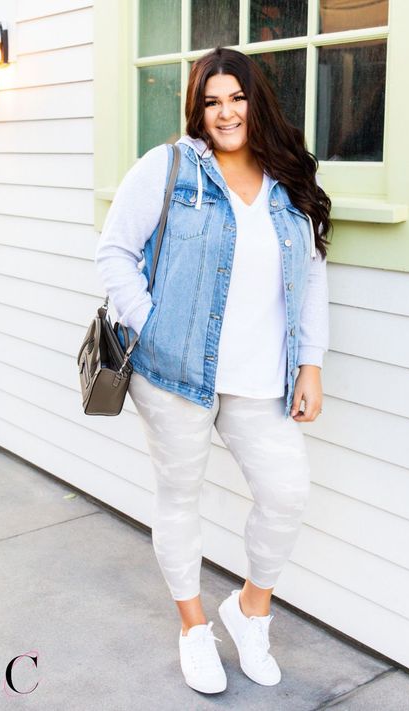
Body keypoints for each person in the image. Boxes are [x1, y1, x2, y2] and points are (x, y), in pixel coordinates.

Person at [95, 45, 332, 695]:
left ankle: (250, 610)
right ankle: (194, 626)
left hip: (260, 377)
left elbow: (311, 281)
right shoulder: (168, 169)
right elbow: (114, 252)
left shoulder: (289, 185)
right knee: (180, 496)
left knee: (286, 490)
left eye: (237, 97)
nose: (225, 112)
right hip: (173, 376)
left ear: (258, 103)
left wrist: (309, 363)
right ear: (198, 109)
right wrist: (155, 326)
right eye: (211, 100)